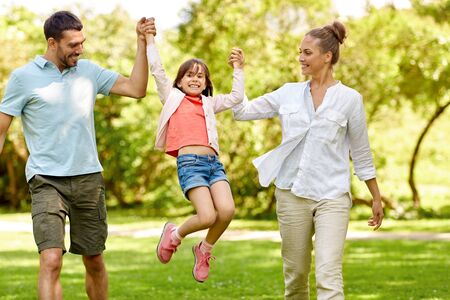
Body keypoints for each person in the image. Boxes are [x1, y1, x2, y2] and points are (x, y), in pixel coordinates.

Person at [0, 11, 154, 300]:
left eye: (82, 42)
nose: (80, 49)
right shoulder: (23, 78)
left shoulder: (89, 72)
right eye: (73, 45)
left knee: (94, 259)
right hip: (46, 179)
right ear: (52, 43)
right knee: (51, 259)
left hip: (88, 179)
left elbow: (137, 89)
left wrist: (141, 43)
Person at [232, 21, 384, 299]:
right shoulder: (288, 93)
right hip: (291, 194)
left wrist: (375, 196)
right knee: (296, 277)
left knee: (328, 273)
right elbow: (241, 112)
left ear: (327, 56)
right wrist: (239, 72)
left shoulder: (350, 99)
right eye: (299, 52)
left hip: (332, 196)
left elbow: (361, 152)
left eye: (307, 52)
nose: (300, 58)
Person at [139, 19, 245, 283]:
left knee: (227, 210)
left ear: (206, 82)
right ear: (180, 81)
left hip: (213, 165)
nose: (195, 78)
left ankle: (204, 248)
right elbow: (157, 70)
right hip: (190, 164)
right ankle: (175, 234)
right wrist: (150, 39)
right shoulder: (172, 97)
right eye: (190, 74)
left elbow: (236, 97)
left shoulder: (209, 104)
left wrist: (238, 68)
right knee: (207, 215)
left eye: (200, 75)